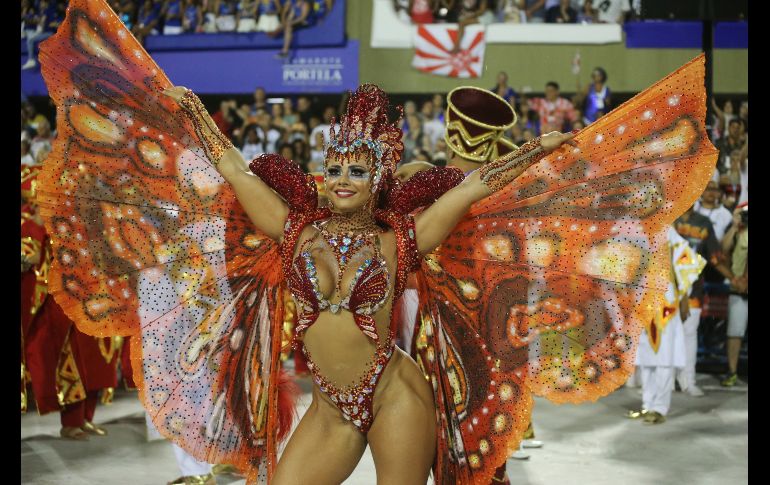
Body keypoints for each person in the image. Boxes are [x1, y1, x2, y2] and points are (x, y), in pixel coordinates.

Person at [38, 5, 718, 482]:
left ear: (376, 179)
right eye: (334, 167)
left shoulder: (403, 238)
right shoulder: (292, 229)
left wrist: (536, 155)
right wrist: (192, 115)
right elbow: (236, 171)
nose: (340, 178)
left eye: (356, 170)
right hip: (334, 405)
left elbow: (473, 186)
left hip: (398, 395)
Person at [22, 166, 119, 440]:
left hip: (91, 298)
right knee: (73, 359)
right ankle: (70, 422)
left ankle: (87, 417)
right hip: (63, 302)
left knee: (97, 359)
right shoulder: (40, 226)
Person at [627, 226, 705, 423]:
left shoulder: (667, 230)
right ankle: (647, 404)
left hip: (665, 305)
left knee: (664, 358)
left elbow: (686, 262)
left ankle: (660, 408)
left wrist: (685, 297)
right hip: (643, 305)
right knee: (646, 358)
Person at [720, 203, 748, 387]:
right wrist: (735, 223)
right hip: (739, 287)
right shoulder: (738, 231)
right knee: (735, 332)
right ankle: (732, 371)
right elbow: (723, 249)